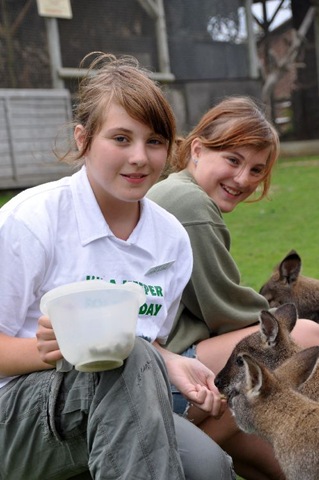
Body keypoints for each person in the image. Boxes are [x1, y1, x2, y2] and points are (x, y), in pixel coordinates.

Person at [0, 53, 235, 480]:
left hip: (116, 398)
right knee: (125, 363)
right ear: (83, 139)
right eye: (121, 139)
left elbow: (143, 345)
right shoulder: (30, 221)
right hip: (14, 416)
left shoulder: (170, 239)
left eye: (155, 141)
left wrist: (171, 362)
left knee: (210, 468)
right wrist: (48, 351)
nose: (140, 158)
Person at [147, 95, 319, 480]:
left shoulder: (178, 191)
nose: (243, 179)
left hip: (159, 352)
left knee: (263, 447)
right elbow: (226, 310)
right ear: (197, 149)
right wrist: (279, 318)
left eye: (256, 169)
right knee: (301, 334)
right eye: (233, 160)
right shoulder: (189, 204)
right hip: (162, 360)